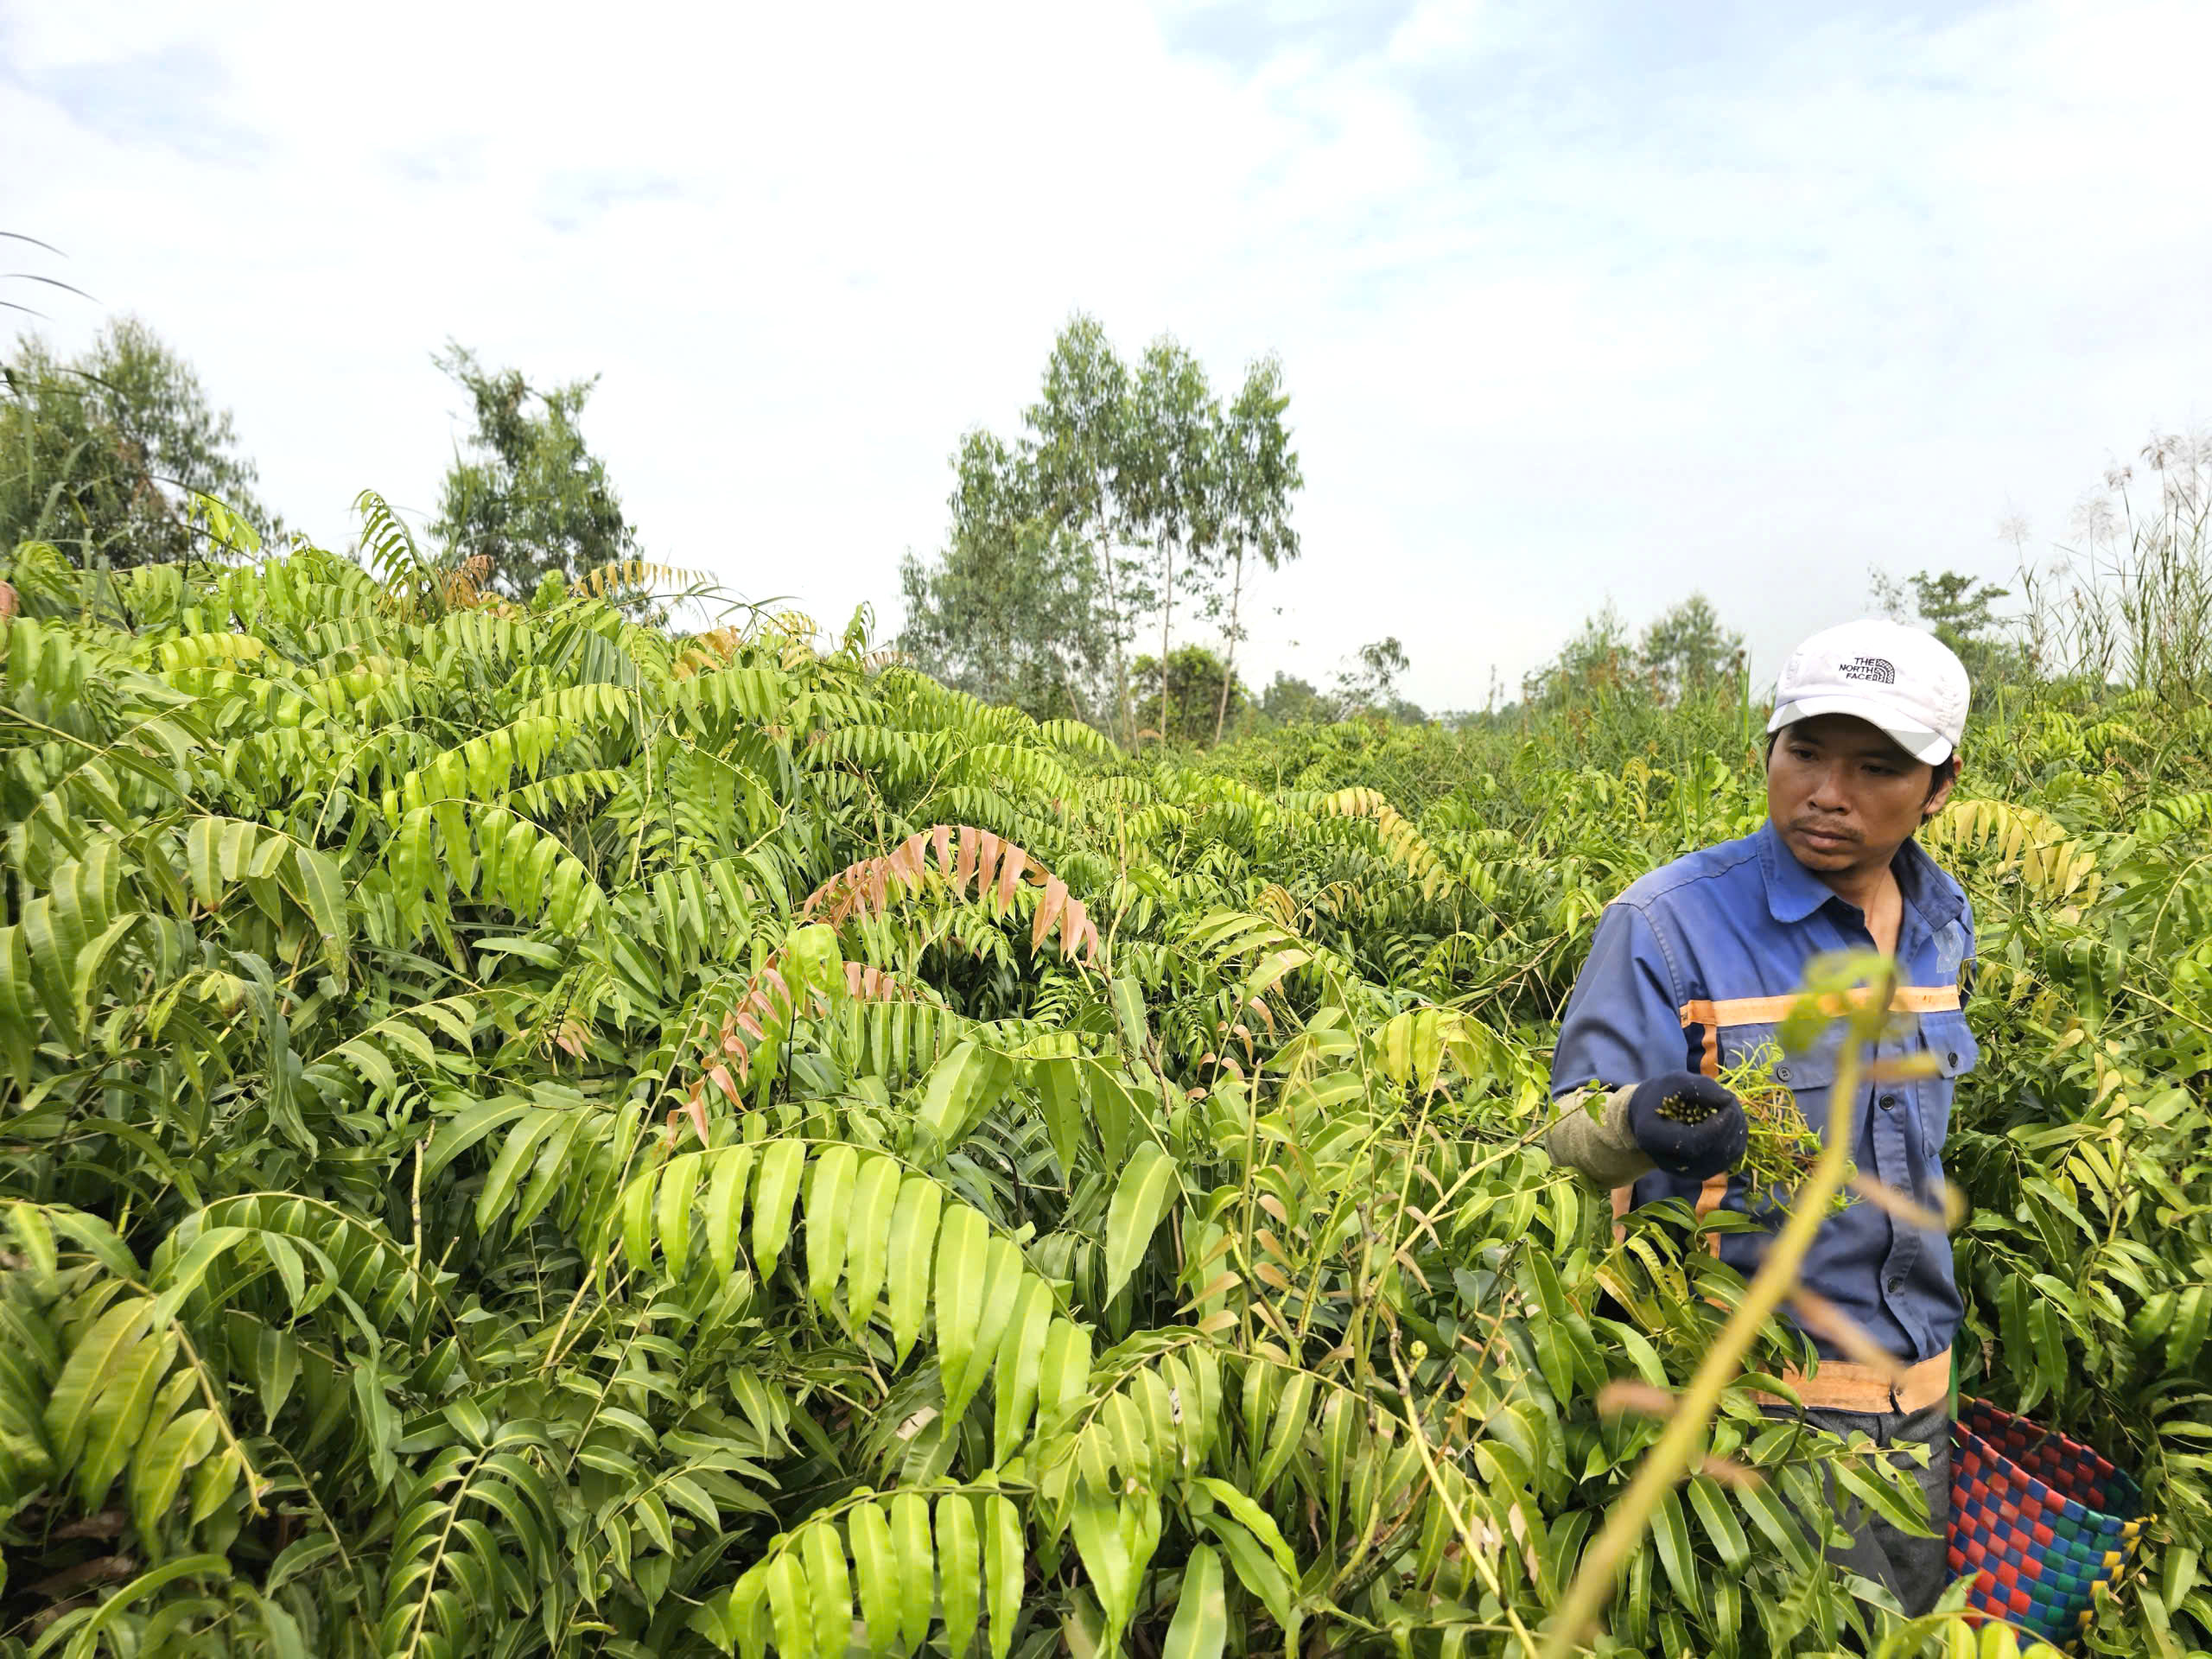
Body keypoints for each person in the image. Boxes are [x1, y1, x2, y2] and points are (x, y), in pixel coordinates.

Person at [1546, 617, 1977, 1616]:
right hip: (1741, 1429)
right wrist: (1636, 1118)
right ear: (1766, 753)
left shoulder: (1942, 927)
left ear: (1940, 785)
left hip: (1916, 1414)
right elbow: (1564, 1136)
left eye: (1877, 768)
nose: (1829, 794)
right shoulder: (1664, 924)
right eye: (1806, 754)